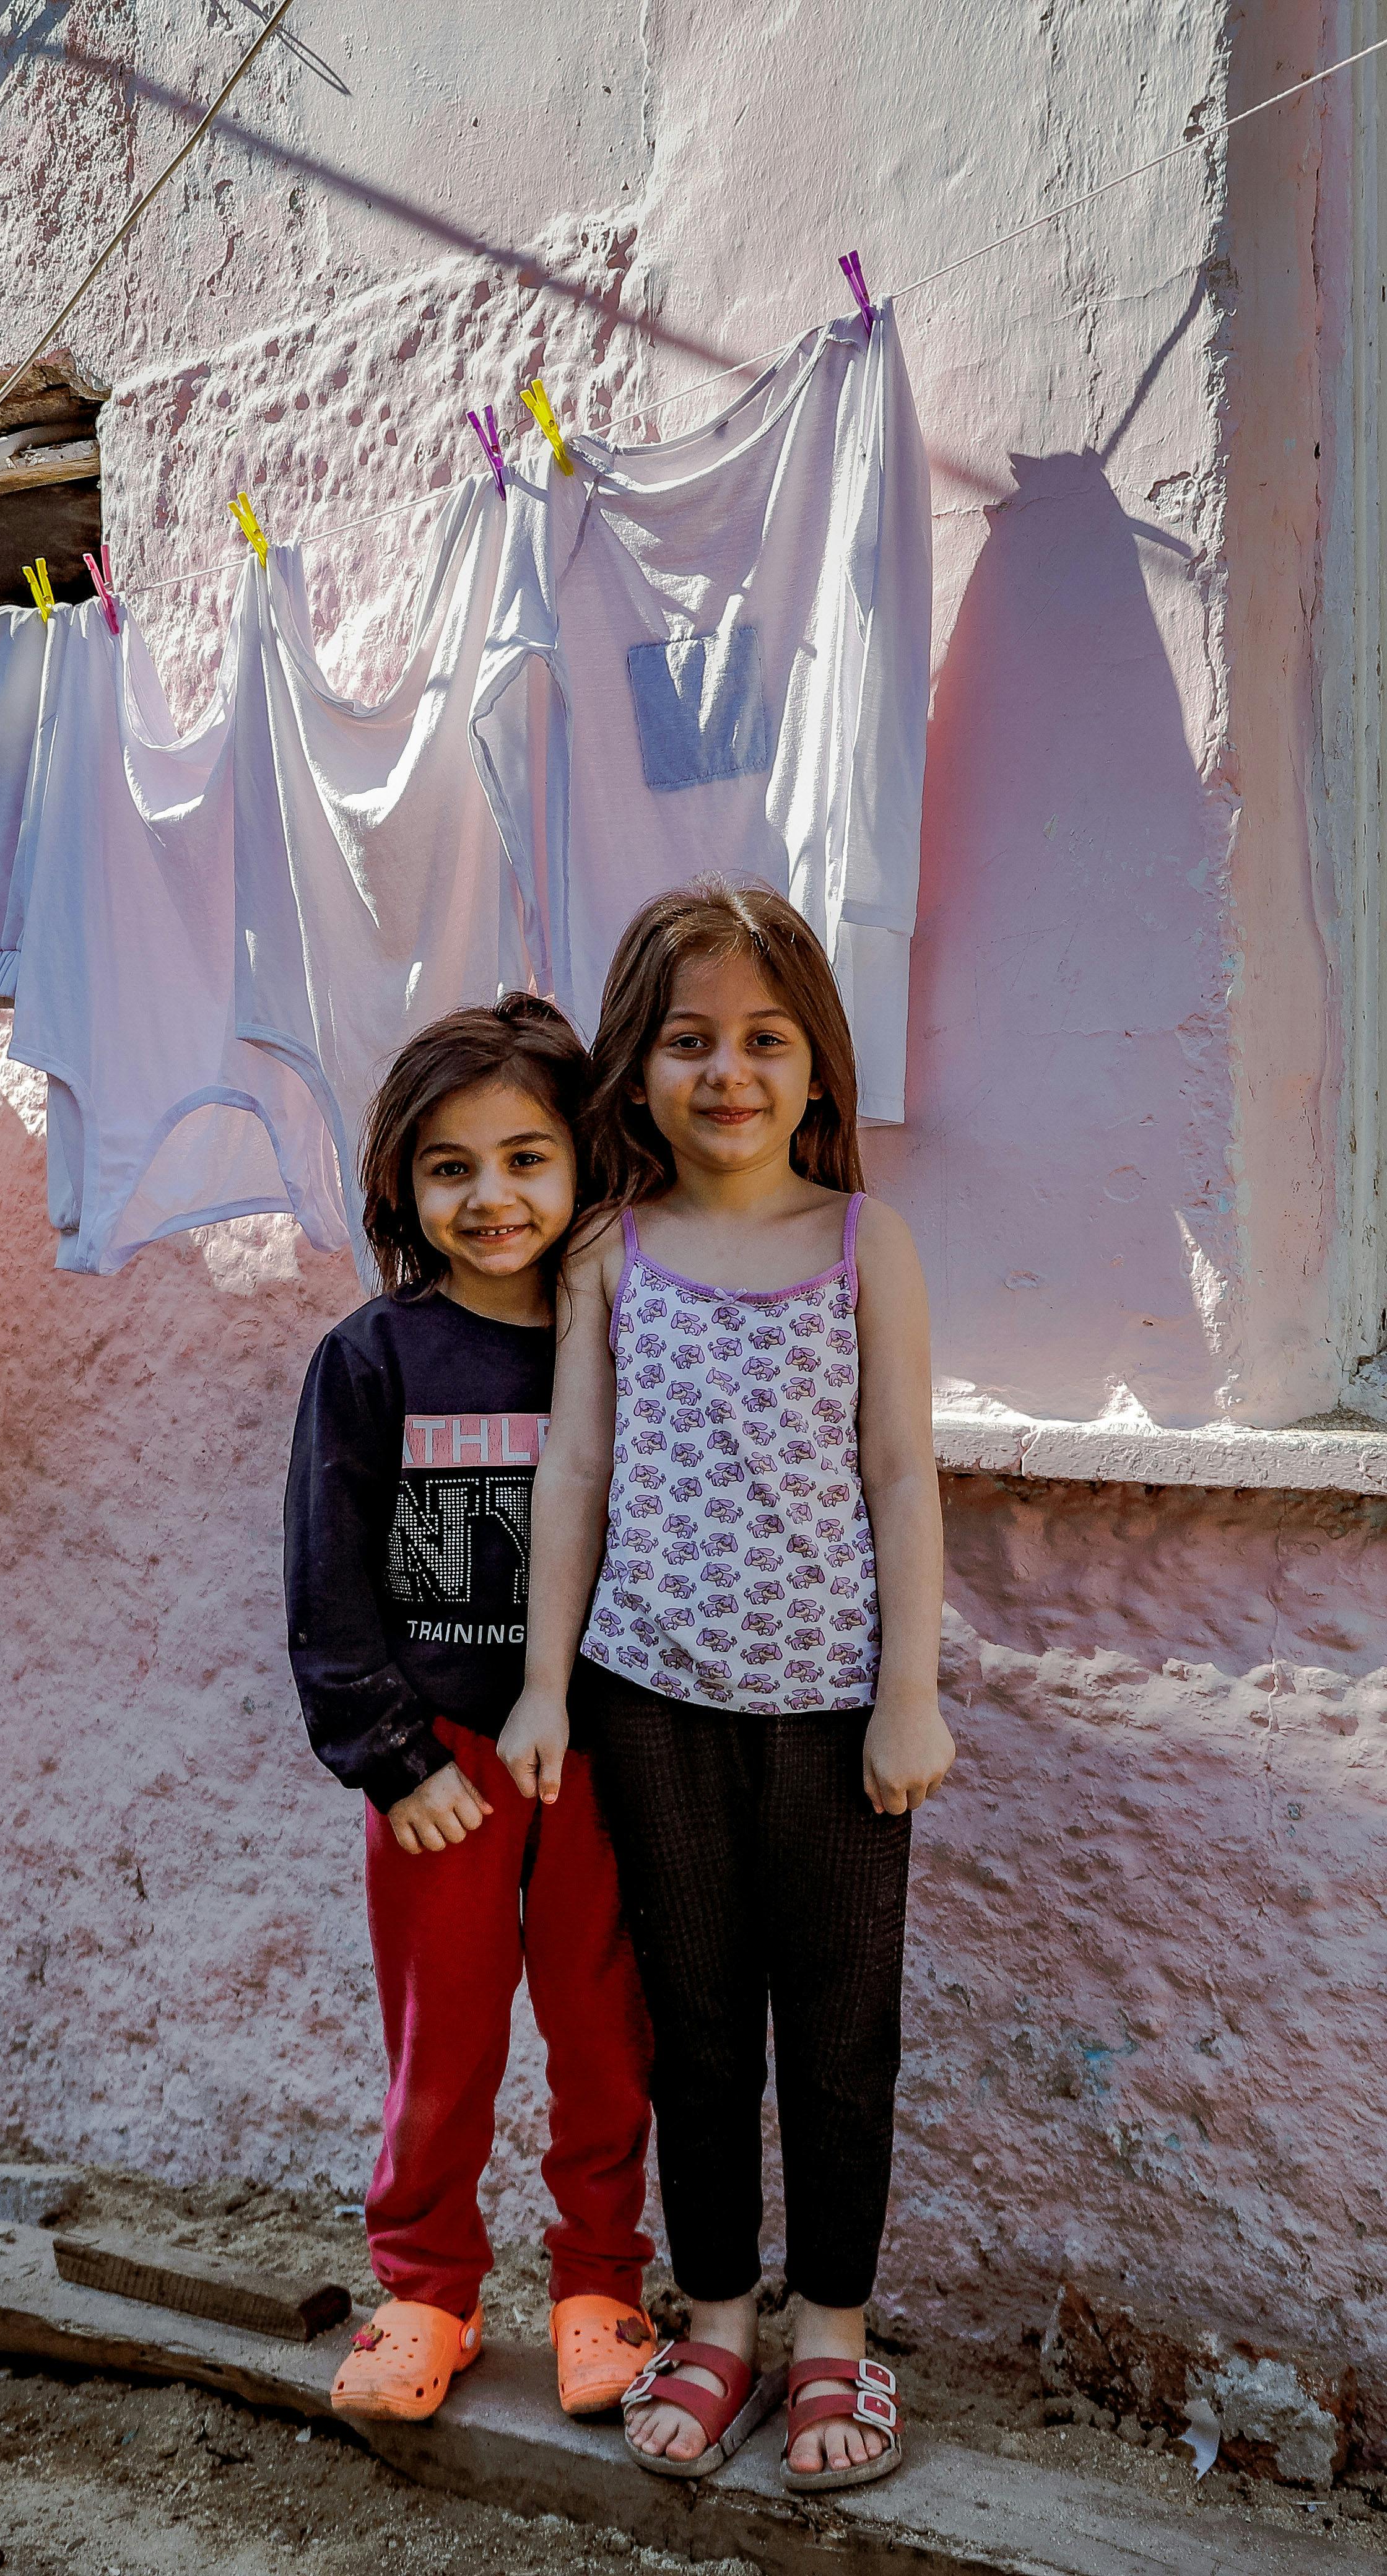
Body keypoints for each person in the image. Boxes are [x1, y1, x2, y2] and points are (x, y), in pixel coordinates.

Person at [499, 880, 952, 2492]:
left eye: (765, 1040)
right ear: (635, 1074)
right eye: (690, 1041)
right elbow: (576, 1469)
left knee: (839, 2039)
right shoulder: (612, 1255)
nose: (729, 1072)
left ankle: (831, 2333)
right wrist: (547, 1689)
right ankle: (713, 2321)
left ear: (819, 1069)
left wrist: (913, 1691)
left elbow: (902, 1475)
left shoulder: (861, 1245)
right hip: (648, 1707)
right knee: (690, 2032)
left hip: (836, 1726)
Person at [283, 994, 659, 2428]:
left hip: (598, 1760)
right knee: (443, 2046)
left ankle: (599, 2288)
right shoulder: (375, 1359)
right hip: (441, 1767)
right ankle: (427, 2289)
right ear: (405, 1185)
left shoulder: (631, 1343)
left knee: (602, 2030)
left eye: (525, 1158)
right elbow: (327, 1575)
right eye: (452, 1168)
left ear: (586, 1163)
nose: (492, 1196)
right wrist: (387, 1756)